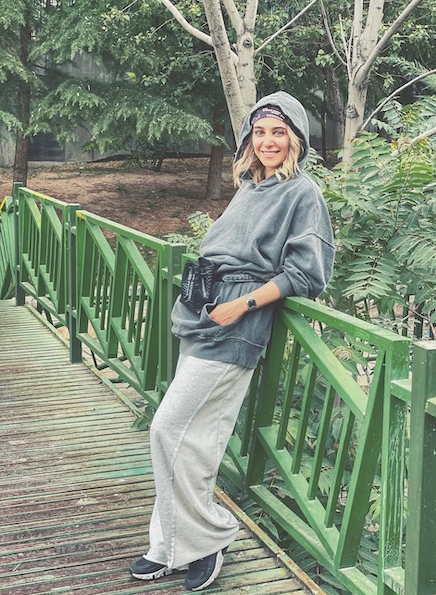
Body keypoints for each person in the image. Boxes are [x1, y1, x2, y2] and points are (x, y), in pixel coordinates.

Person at [129, 91, 335, 591]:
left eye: (279, 132)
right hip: (204, 314)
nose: (268, 141)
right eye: (260, 132)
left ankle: (211, 537)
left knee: (168, 429)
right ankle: (169, 546)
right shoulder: (251, 185)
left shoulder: (302, 194)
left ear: (296, 139)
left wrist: (242, 305)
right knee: (191, 437)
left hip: (237, 322)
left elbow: (306, 273)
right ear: (248, 138)